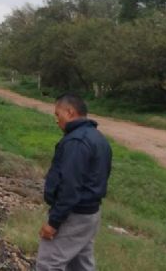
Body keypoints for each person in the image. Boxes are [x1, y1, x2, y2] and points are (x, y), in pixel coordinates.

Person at [36, 94, 112, 271]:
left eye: (58, 114)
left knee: (48, 264)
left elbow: (70, 187)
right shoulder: (98, 138)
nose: (56, 120)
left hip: (74, 215)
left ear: (70, 112)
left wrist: (54, 222)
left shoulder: (76, 141)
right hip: (91, 213)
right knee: (81, 265)